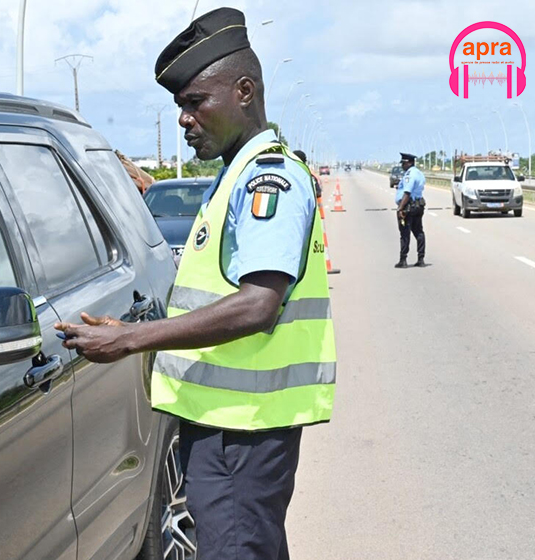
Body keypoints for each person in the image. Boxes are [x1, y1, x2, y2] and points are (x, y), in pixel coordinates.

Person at [55, 8, 335, 560]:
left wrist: (132, 339)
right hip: (231, 425)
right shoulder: (236, 176)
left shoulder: (266, 181)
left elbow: (258, 305)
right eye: (179, 106)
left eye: (195, 102)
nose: (184, 118)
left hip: (243, 431)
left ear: (245, 91)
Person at [395, 152, 426, 268]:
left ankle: (403, 260)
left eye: (404, 163)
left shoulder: (410, 175)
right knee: (419, 232)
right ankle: (421, 259)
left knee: (405, 233)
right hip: (418, 205)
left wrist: (400, 209)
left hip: (409, 206)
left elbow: (407, 193)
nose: (402, 166)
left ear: (410, 163)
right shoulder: (419, 173)